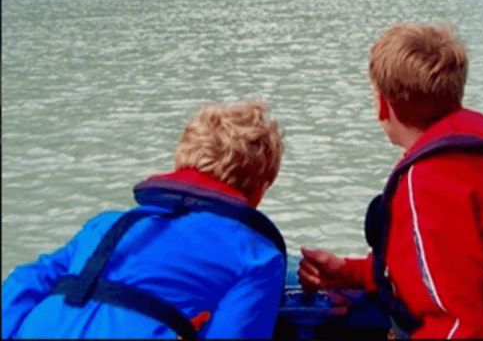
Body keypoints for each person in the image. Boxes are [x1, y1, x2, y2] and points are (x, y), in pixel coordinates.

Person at [299, 23, 483, 339]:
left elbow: (457, 325)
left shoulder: (425, 184)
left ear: (383, 104)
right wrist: (352, 273)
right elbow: (456, 267)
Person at [2, 100, 287, 340]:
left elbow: (23, 282)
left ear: (181, 163)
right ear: (261, 187)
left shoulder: (105, 226)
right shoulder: (257, 258)